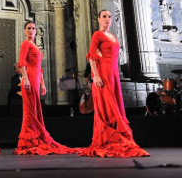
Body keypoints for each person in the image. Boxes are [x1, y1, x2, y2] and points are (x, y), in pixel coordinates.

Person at [76, 10, 150, 157]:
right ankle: (108, 139)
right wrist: (95, 76)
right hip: (102, 74)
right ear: (98, 19)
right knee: (107, 107)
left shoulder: (113, 36)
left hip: (113, 74)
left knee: (114, 105)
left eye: (109, 17)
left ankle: (116, 138)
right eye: (104, 16)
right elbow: (91, 55)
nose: (107, 19)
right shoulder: (97, 35)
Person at [14, 21, 77, 155]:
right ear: (25, 31)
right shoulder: (25, 44)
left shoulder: (34, 46)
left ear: (36, 31)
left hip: (35, 80)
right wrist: (25, 79)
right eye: (29, 28)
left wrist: (43, 84)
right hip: (29, 80)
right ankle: (28, 140)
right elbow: (21, 63)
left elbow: (39, 69)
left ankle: (34, 137)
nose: (31, 30)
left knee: (35, 110)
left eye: (33, 28)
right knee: (30, 111)